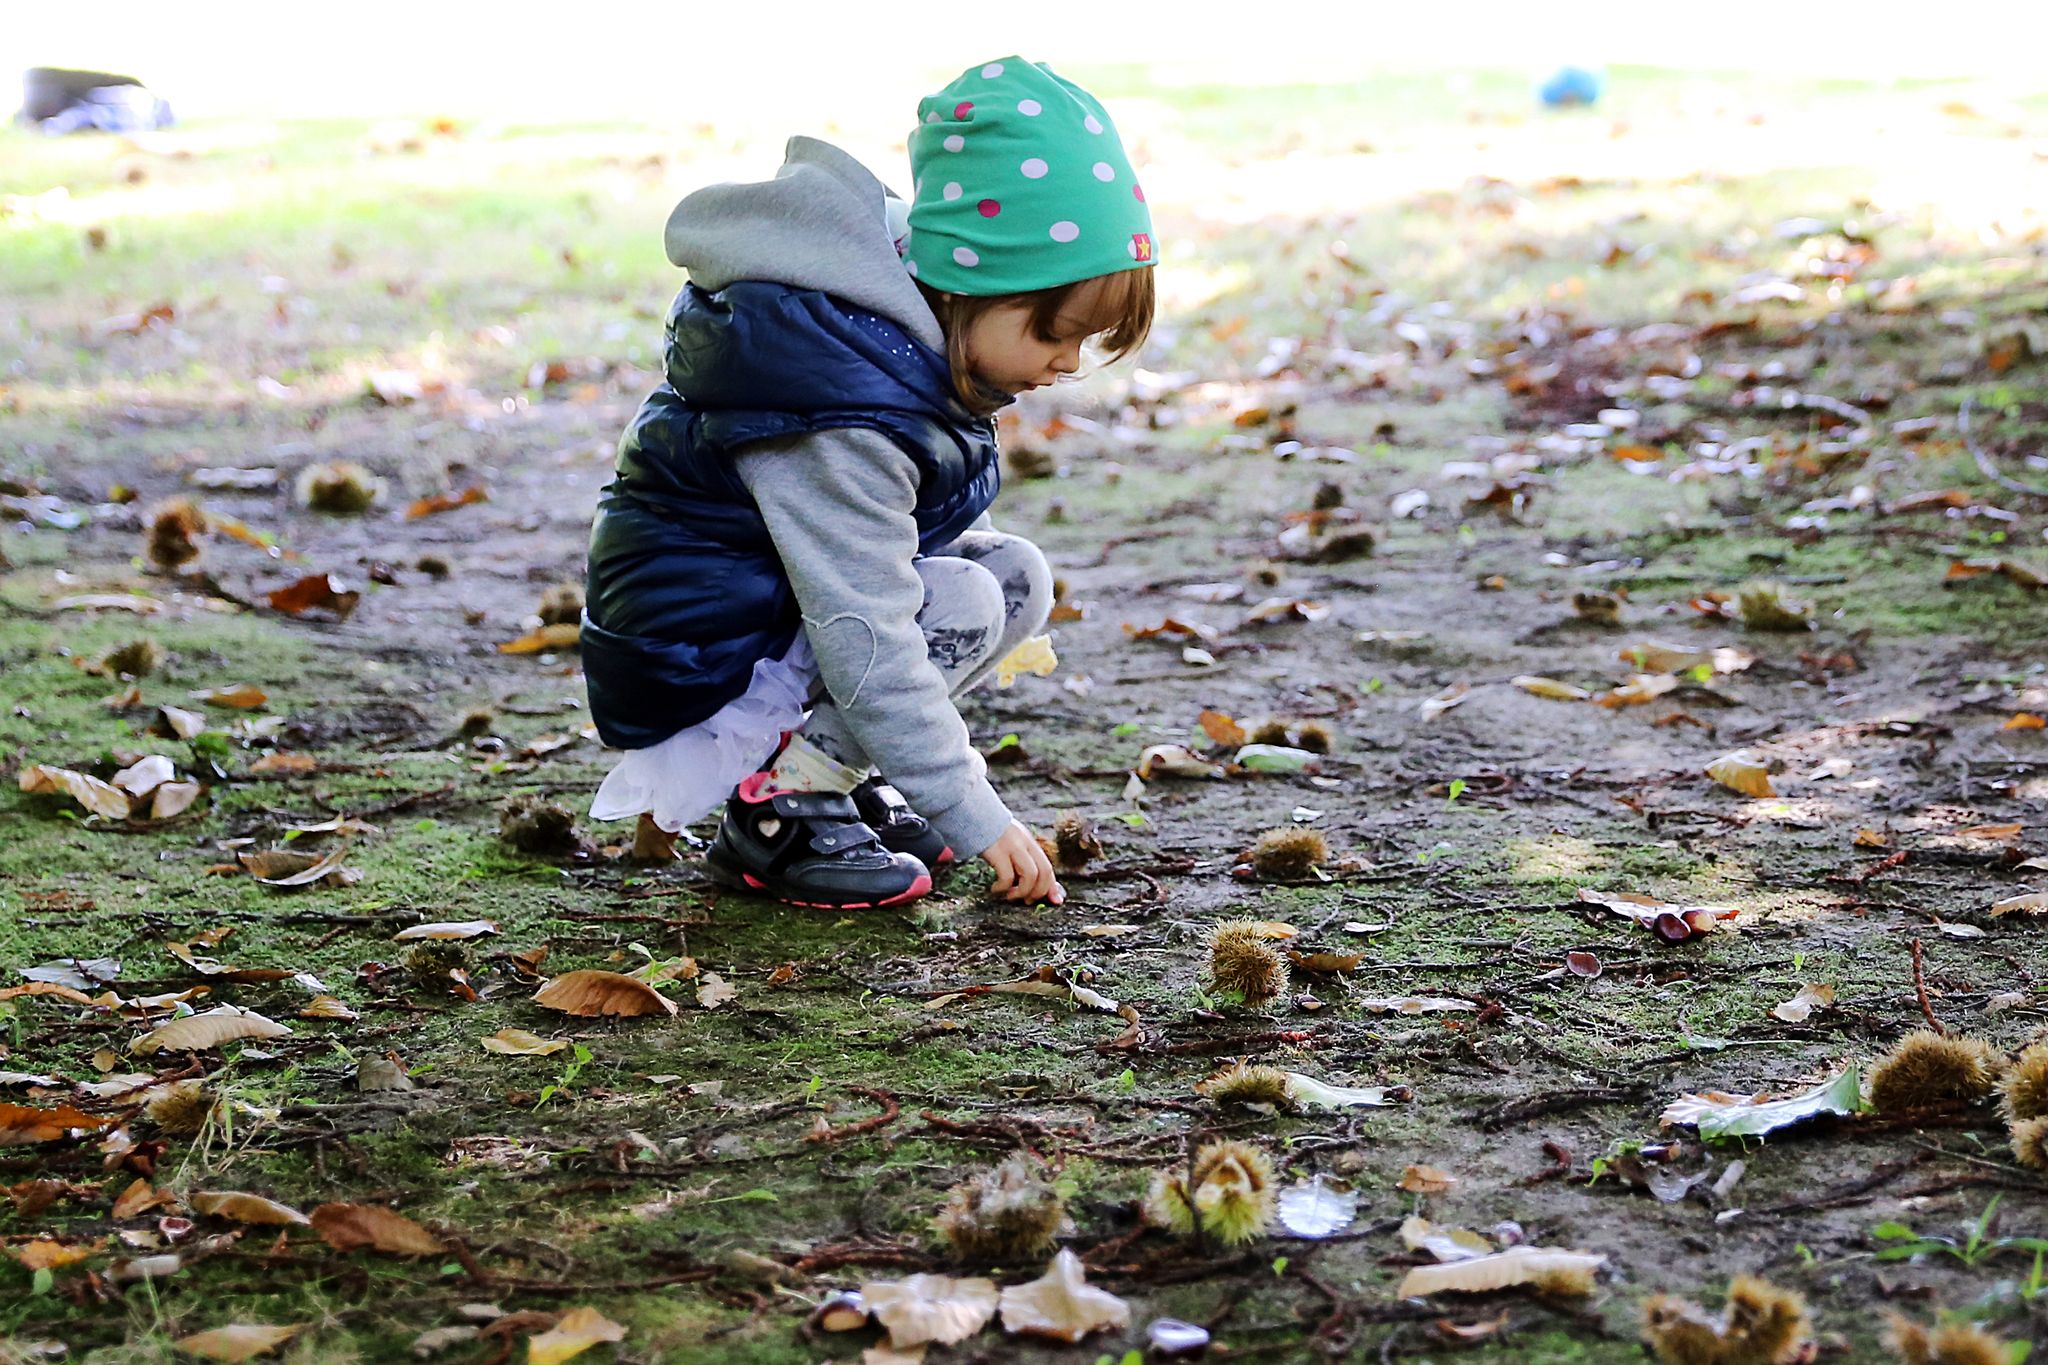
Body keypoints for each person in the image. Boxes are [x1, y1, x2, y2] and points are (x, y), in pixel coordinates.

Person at [582, 57, 1157, 912]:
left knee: (1013, 577)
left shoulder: (899, 329)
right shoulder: (838, 409)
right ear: (974, 281)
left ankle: (830, 773)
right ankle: (780, 805)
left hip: (772, 611)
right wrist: (972, 809)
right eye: (1052, 330)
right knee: (961, 599)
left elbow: (914, 538)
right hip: (697, 652)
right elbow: (867, 627)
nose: (1066, 363)